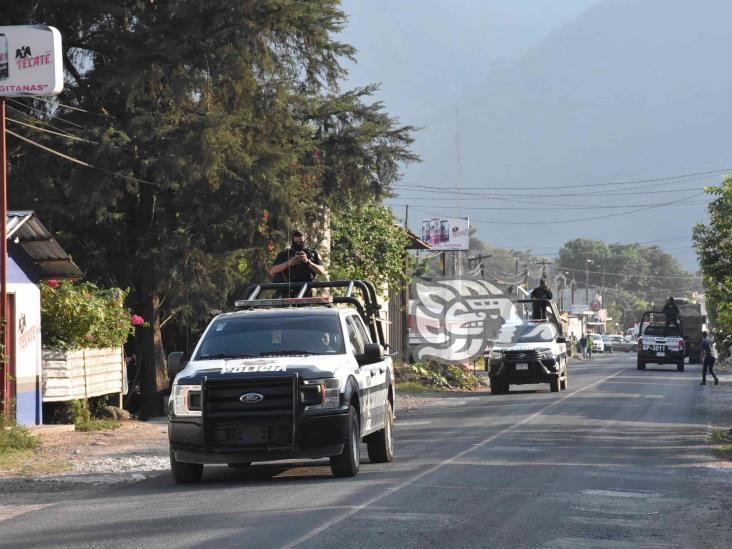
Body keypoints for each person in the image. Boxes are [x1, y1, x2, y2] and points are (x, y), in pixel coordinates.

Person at [268, 230, 326, 297]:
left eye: (301, 243)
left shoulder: (312, 254)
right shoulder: (284, 254)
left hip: (305, 292)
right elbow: (272, 271)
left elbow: (322, 271)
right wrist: (288, 263)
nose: (298, 244)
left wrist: (308, 262)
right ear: (292, 242)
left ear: (304, 241)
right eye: (296, 243)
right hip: (287, 292)